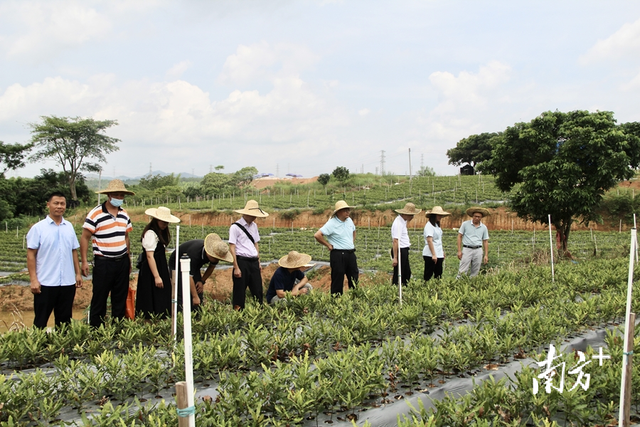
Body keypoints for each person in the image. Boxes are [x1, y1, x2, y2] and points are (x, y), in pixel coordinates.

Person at [80, 179, 134, 327]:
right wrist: (84, 261)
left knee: (120, 297)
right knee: (100, 298)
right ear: (109, 195)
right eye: (116, 194)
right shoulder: (95, 213)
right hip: (103, 262)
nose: (119, 198)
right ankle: (97, 331)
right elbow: (85, 237)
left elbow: (126, 236)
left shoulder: (124, 214)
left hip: (121, 261)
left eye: (121, 195)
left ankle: (118, 330)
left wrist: (128, 259)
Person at [26, 192, 82, 328]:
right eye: (56, 203)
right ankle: (39, 348)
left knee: (64, 321)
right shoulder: (38, 228)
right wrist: (34, 280)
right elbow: (31, 255)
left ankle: (62, 348)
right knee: (41, 320)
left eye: (62, 204)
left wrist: (78, 273)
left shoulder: (69, 227)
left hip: (67, 283)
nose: (59, 206)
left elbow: (74, 251)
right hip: (46, 283)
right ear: (48, 205)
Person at [135, 207, 180, 320]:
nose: (165, 224)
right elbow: (150, 256)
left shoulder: (160, 233)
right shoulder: (150, 233)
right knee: (151, 299)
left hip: (160, 267)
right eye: (162, 221)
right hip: (151, 271)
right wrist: (157, 276)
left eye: (166, 222)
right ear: (156, 220)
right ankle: (149, 325)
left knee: (162, 298)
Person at [168, 233, 233, 310]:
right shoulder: (194, 254)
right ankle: (181, 313)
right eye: (216, 258)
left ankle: (196, 313)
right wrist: (195, 297)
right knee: (182, 289)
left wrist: (202, 281)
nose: (217, 260)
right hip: (177, 263)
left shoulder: (216, 254)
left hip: (194, 266)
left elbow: (211, 267)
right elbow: (189, 277)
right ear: (209, 254)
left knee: (198, 288)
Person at [229, 200, 269, 310]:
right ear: (246, 213)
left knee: (257, 291)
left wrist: (258, 262)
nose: (255, 218)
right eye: (253, 215)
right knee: (239, 292)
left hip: (253, 261)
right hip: (241, 262)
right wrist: (236, 267)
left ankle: (259, 313)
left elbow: (255, 244)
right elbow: (232, 247)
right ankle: (238, 315)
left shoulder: (254, 226)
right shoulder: (235, 227)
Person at [314, 200, 359, 295]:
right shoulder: (332, 223)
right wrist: (328, 245)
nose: (348, 212)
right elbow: (318, 235)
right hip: (338, 255)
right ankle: (336, 303)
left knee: (354, 278)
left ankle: (355, 301)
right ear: (338, 212)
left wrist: (351, 242)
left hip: (350, 254)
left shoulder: (349, 220)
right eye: (345, 210)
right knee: (338, 280)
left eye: (348, 210)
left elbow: (354, 230)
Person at [391, 202, 421, 285]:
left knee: (406, 273)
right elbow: (395, 240)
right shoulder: (398, 223)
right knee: (399, 274)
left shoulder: (403, 221)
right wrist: (395, 257)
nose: (412, 217)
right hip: (400, 250)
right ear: (406, 214)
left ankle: (403, 289)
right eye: (411, 215)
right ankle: (395, 289)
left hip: (404, 249)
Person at [457, 206, 490, 278]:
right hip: (467, 249)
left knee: (475, 271)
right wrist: (459, 251)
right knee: (462, 270)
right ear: (472, 216)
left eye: (479, 217)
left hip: (478, 249)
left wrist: (486, 255)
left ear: (481, 218)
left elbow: (485, 241)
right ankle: (458, 286)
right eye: (475, 216)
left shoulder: (484, 227)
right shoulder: (465, 224)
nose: (477, 218)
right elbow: (459, 236)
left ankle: (472, 286)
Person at [423, 206, 450, 281]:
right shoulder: (429, 226)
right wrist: (434, 254)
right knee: (428, 274)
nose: (440, 217)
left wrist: (441, 252)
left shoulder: (437, 225)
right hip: (430, 254)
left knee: (438, 274)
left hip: (438, 253)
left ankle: (437, 289)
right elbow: (429, 241)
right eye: (438, 215)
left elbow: (439, 240)